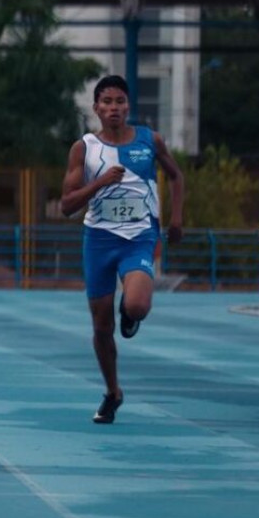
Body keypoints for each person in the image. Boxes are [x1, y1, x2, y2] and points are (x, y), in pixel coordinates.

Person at [60, 74, 184, 424]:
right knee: (102, 327)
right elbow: (67, 205)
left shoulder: (149, 140)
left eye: (120, 101)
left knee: (138, 305)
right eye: (107, 102)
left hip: (140, 235)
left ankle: (129, 312)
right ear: (96, 108)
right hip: (100, 239)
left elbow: (176, 176)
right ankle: (113, 392)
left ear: (128, 106)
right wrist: (100, 182)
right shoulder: (84, 148)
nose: (114, 108)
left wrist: (176, 219)